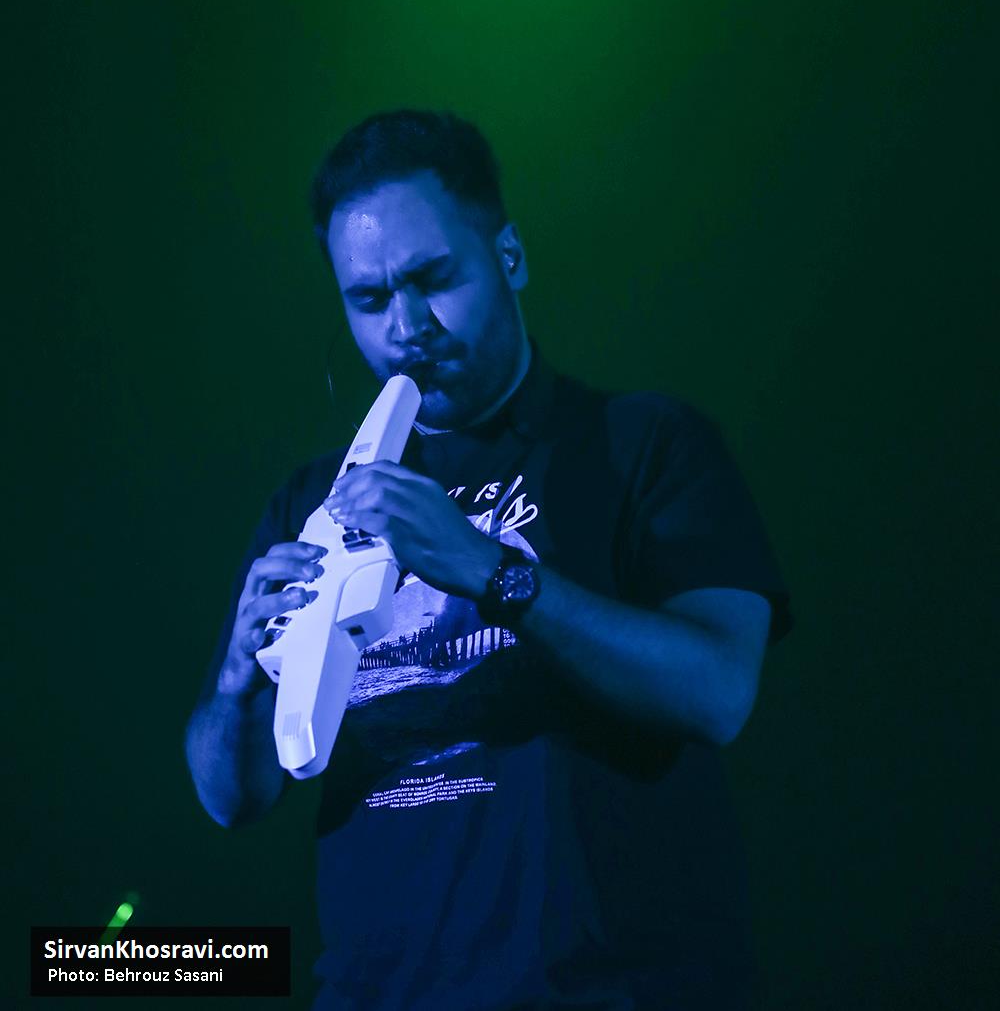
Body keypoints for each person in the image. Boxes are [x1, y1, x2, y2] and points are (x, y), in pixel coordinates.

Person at [185, 108, 794, 1011]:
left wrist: (489, 568)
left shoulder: (645, 441)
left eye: (433, 279)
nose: (406, 326)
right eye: (368, 299)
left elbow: (719, 690)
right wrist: (239, 681)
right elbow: (233, 798)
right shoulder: (311, 498)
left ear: (508, 256)